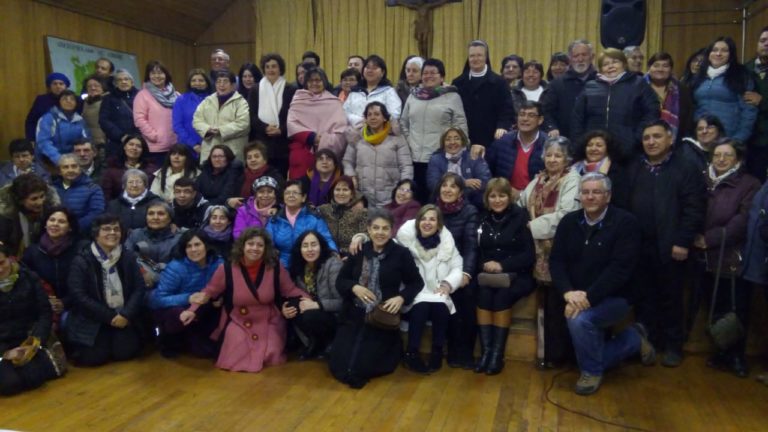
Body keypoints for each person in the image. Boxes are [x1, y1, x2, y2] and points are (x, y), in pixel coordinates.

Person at [550, 172, 654, 395]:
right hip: (576, 295)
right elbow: (556, 262)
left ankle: (591, 371)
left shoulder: (626, 223)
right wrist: (568, 293)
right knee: (575, 321)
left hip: (616, 296)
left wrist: (585, 299)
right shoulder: (569, 222)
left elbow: (619, 271)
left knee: (579, 321)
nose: (590, 197)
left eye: (596, 192)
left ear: (607, 196)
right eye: (585, 192)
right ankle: (633, 339)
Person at [627, 120, 706, 367]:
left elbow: (694, 208)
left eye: (657, 136)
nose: (651, 141)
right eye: (647, 137)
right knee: (643, 298)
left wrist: (683, 240)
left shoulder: (685, 167)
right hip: (640, 246)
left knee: (671, 299)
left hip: (672, 246)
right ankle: (646, 345)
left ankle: (673, 347)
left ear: (670, 139)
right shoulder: (635, 167)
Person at [185, 227, 309, 373]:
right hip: (237, 319)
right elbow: (209, 292)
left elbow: (290, 290)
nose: (255, 248)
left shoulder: (276, 267)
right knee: (234, 355)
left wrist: (310, 300)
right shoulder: (225, 268)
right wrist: (192, 310)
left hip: (269, 319)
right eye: (250, 244)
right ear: (242, 246)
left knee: (270, 354)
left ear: (266, 248)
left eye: (260, 245)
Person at [328, 209, 423, 389]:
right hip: (354, 312)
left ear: (391, 231)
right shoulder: (359, 250)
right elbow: (341, 280)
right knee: (340, 363)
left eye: (385, 229)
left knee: (365, 364)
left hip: (382, 314)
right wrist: (354, 287)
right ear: (369, 230)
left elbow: (416, 283)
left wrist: (401, 298)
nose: (380, 233)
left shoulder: (401, 254)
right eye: (376, 228)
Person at [692, 140, 759, 377]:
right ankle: (722, 353)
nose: (720, 159)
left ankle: (737, 357)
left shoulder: (749, 184)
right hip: (703, 259)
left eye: (727, 155)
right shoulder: (701, 180)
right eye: (717, 154)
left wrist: (710, 238)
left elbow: (742, 221)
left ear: (737, 159)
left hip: (731, 257)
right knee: (713, 308)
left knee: (735, 309)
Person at [517, 136, 582, 367]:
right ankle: (547, 355)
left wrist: (529, 228)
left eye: (558, 155)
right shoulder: (539, 180)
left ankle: (564, 357)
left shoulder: (573, 179)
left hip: (562, 251)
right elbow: (521, 204)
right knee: (544, 306)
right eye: (549, 155)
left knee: (559, 304)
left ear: (567, 159)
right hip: (536, 252)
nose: (552, 159)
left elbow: (566, 215)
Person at [66, 214, 145, 366]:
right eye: (106, 229)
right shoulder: (82, 260)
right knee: (92, 359)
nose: (112, 233)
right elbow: (79, 295)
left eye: (116, 229)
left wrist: (125, 314)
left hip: (122, 315)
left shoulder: (128, 256)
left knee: (125, 353)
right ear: (96, 234)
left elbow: (139, 288)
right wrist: (109, 316)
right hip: (93, 318)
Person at [474, 178, 535, 375]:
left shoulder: (521, 217)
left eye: (502, 195)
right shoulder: (482, 218)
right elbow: (475, 250)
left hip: (518, 274)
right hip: (488, 274)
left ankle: (497, 355)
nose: (497, 200)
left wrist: (502, 265)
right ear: (487, 198)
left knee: (501, 295)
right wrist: (484, 265)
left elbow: (529, 255)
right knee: (482, 293)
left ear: (509, 197)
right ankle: (486, 352)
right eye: (493, 196)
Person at [395, 205, 463, 374]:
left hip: (438, 290)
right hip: (415, 291)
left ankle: (437, 351)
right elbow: (382, 243)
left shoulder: (447, 244)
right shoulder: (405, 244)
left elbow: (457, 266)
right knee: (421, 307)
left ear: (438, 224)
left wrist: (448, 284)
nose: (427, 222)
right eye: (424, 219)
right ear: (417, 222)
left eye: (432, 219)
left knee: (440, 307)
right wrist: (359, 237)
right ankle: (412, 352)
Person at [572, 48, 659, 162]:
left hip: (628, 151)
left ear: (624, 64)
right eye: (605, 64)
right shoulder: (590, 86)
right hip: (594, 151)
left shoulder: (638, 84)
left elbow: (652, 112)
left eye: (615, 62)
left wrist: (636, 138)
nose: (610, 66)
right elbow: (577, 118)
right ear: (601, 69)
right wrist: (582, 142)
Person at [0, 244, 64, 396]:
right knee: (10, 385)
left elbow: (44, 313)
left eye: (1, 263)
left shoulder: (29, 278)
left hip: (26, 338)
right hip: (2, 343)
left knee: (34, 379)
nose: (0, 270)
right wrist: (5, 353)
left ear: (10, 259)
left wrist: (35, 342)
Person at [148, 229, 223, 358]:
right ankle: (168, 339)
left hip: (203, 308)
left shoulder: (219, 263)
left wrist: (220, 297)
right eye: (189, 246)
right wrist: (188, 298)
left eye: (197, 244)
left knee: (206, 352)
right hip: (175, 310)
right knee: (177, 316)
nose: (193, 249)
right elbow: (157, 299)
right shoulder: (176, 267)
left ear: (206, 245)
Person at [401, 58, 468, 200]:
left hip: (439, 158)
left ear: (442, 76)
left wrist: (460, 149)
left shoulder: (452, 96)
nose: (428, 76)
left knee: (436, 198)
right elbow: (404, 123)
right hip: (414, 158)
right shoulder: (413, 96)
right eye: (425, 73)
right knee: (415, 199)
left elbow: (460, 125)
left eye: (433, 73)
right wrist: (409, 140)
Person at [285, 230, 344, 359]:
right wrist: (284, 308)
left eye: (314, 245)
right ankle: (313, 343)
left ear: (321, 246)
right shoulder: (299, 267)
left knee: (310, 316)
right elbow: (292, 292)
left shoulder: (333, 264)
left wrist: (317, 305)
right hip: (314, 309)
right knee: (292, 306)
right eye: (305, 246)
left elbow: (342, 302)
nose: (310, 249)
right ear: (299, 249)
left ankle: (328, 343)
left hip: (335, 316)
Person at [343, 102, 413, 207]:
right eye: (369, 115)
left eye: (376, 114)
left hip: (390, 198)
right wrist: (351, 176)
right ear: (365, 119)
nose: (372, 117)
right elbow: (347, 161)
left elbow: (406, 166)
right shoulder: (357, 137)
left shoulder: (397, 138)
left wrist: (404, 188)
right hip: (362, 198)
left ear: (385, 118)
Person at [691, 36, 757, 145]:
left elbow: (749, 111)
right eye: (715, 50)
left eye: (724, 50)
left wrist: (739, 139)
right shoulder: (699, 76)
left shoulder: (741, 75)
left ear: (731, 54)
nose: (718, 54)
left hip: (729, 138)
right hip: (701, 138)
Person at [286, 67, 348, 179]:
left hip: (327, 155)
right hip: (302, 152)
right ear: (306, 83)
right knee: (300, 191)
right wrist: (312, 137)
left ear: (324, 82)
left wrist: (323, 140)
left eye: (318, 80)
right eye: (310, 81)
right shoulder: (298, 99)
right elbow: (292, 123)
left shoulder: (334, 102)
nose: (314, 83)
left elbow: (341, 130)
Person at [22, 207, 80, 326]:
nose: (55, 224)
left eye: (61, 221)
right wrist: (47, 301)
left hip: (75, 305)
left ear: (70, 227)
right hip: (42, 304)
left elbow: (86, 283)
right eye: (52, 220)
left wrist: (64, 302)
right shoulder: (32, 251)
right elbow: (27, 283)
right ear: (45, 224)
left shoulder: (81, 249)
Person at [452, 40, 515, 148]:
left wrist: (502, 126)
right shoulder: (458, 83)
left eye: (479, 55)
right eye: (472, 56)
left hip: (492, 138)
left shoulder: (500, 83)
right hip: (464, 139)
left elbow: (507, 110)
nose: (475, 59)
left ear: (486, 57)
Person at [265, 180, 337, 267]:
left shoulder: (314, 217)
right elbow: (267, 242)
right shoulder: (275, 219)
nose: (291, 196)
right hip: (282, 266)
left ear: (303, 197)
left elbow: (326, 239)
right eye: (287, 193)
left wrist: (334, 253)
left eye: (295, 193)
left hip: (308, 264)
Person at [485, 101, 548, 201]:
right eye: (522, 114)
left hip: (535, 200)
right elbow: (487, 172)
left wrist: (521, 195)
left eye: (531, 115)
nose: (525, 119)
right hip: (503, 198)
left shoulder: (548, 145)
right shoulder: (502, 142)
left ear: (540, 120)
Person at [248, 53, 298, 176]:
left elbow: (294, 115)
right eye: (267, 67)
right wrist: (265, 127)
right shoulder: (255, 89)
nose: (271, 70)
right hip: (261, 140)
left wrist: (281, 129)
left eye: (274, 66)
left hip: (282, 142)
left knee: (280, 176)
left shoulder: (290, 89)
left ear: (280, 69)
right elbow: (252, 115)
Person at [541, 39, 598, 140]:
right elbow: (546, 111)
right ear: (570, 59)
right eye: (576, 56)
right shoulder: (557, 84)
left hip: (595, 140)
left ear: (592, 57)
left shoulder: (601, 81)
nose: (580, 59)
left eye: (584, 55)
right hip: (564, 139)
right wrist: (551, 128)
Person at [194, 71, 251, 163]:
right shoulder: (207, 101)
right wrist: (207, 129)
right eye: (218, 82)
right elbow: (197, 120)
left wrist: (221, 130)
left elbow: (243, 124)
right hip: (210, 151)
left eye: (225, 81)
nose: (221, 85)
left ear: (233, 85)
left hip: (232, 152)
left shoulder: (241, 102)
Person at [124, 200, 183, 288]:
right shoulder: (136, 234)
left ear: (170, 218)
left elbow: (180, 269)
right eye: (151, 214)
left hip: (170, 286)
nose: (155, 217)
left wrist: (155, 278)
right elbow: (126, 261)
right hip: (138, 285)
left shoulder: (180, 238)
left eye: (161, 214)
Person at [426, 127, 490, 207]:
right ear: (443, 143)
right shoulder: (435, 159)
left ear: (463, 141)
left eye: (456, 138)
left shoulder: (473, 155)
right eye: (448, 139)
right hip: (442, 203)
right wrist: (463, 183)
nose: (452, 142)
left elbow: (484, 181)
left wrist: (456, 192)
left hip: (472, 203)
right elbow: (433, 185)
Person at [0, 173, 60, 257]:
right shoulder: (5, 216)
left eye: (42, 196)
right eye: (34, 199)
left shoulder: (50, 211)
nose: (40, 202)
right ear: (20, 200)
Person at [133, 60, 178, 164]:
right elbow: (139, 119)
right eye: (153, 73)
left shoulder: (176, 95)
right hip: (155, 148)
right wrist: (154, 136)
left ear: (166, 75)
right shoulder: (142, 95)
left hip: (175, 146)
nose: (157, 76)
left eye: (160, 73)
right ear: (148, 76)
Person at [572, 130, 629, 208]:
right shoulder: (575, 168)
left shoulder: (616, 171)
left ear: (607, 149)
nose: (593, 148)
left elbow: (620, 202)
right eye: (589, 145)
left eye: (599, 145)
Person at [645, 52, 694, 142]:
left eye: (665, 66)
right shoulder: (639, 87)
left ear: (671, 69)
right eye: (656, 65)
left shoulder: (682, 89)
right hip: (644, 140)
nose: (660, 69)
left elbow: (688, 118)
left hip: (676, 142)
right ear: (649, 68)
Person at [343, 55, 402, 129]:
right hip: (355, 134)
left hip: (380, 135)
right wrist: (359, 120)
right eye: (367, 67)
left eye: (374, 68)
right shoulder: (355, 91)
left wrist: (372, 121)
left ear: (382, 72)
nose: (370, 71)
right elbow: (344, 112)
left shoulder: (388, 91)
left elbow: (394, 114)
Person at [35, 90, 91, 165]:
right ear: (59, 102)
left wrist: (75, 159)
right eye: (65, 99)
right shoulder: (48, 118)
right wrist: (59, 159)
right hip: (48, 160)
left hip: (73, 161)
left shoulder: (80, 120)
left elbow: (86, 141)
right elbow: (43, 142)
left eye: (72, 99)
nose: (68, 101)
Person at [51, 154, 105, 232]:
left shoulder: (93, 188)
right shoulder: (52, 188)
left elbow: (96, 212)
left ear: (80, 168)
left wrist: (73, 227)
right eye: (66, 167)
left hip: (81, 234)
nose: (70, 170)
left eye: (74, 166)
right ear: (59, 171)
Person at [317, 176, 367, 257]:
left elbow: (367, 233)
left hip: (353, 256)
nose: (341, 193)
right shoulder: (324, 210)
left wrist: (360, 237)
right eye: (337, 189)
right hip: (329, 255)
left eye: (345, 190)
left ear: (352, 194)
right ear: (333, 192)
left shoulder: (360, 212)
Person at [101, 135, 157, 201]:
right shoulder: (112, 169)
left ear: (143, 150)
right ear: (124, 147)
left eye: (138, 146)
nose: (134, 148)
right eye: (131, 144)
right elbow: (107, 195)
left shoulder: (151, 170)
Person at [744, 26, 768, 181]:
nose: (766, 44)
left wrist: (763, 102)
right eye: (763, 40)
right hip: (747, 140)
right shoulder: (743, 69)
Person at [99, 69, 139, 159]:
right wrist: (121, 136)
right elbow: (103, 120)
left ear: (132, 82)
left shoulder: (141, 96)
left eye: (126, 79)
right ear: (115, 84)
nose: (123, 82)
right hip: (117, 143)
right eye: (119, 80)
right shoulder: (108, 98)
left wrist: (138, 136)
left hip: (139, 142)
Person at [172, 69, 212, 159]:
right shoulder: (181, 100)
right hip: (187, 147)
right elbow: (177, 126)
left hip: (210, 146)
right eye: (193, 80)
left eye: (201, 80)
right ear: (189, 83)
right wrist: (194, 145)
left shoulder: (213, 99)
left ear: (207, 83)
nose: (197, 83)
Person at [25, 72, 70, 143]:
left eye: (61, 84)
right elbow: (31, 121)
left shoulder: (73, 100)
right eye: (54, 84)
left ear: (66, 86)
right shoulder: (41, 100)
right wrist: (31, 139)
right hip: (45, 139)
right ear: (50, 86)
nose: (58, 86)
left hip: (68, 139)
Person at [81, 75, 109, 150]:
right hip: (90, 144)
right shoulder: (85, 102)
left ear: (103, 87)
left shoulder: (109, 101)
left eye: (96, 85)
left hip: (105, 144)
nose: (93, 88)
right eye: (89, 86)